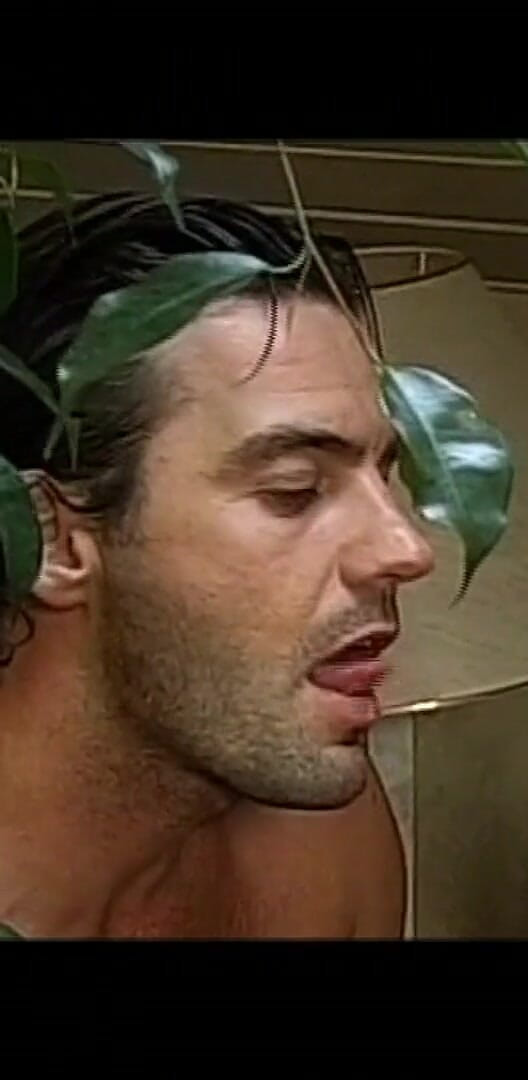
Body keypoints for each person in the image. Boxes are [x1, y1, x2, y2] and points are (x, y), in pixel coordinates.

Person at [0, 193, 434, 938]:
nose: (406, 548)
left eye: (385, 475)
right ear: (54, 541)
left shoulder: (320, 844)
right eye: (294, 489)